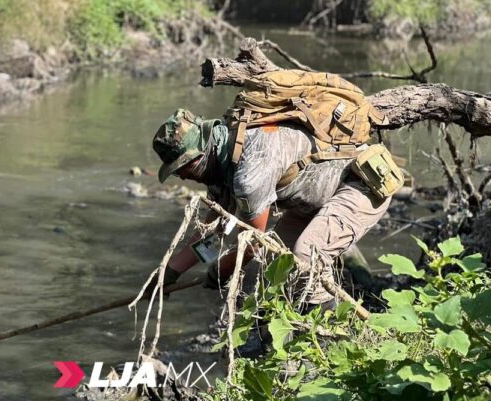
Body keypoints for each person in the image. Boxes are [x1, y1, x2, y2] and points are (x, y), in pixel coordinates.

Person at [147, 108, 391, 310]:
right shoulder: (220, 162)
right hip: (311, 200)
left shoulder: (248, 173)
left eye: (181, 169)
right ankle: (278, 340)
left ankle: (331, 341)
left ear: (198, 157)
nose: (180, 177)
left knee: (305, 255)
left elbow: (253, 243)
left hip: (361, 184)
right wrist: (169, 273)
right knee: (276, 269)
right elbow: (214, 231)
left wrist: (222, 269)